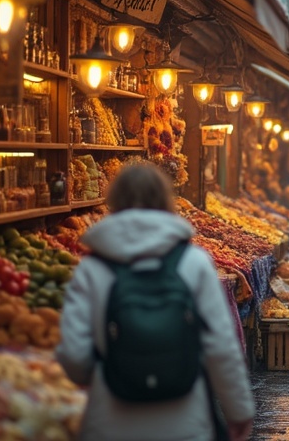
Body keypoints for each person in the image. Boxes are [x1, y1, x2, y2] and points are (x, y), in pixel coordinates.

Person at [56, 163, 255, 441]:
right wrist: (239, 410)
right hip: (186, 422)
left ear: (113, 201)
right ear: (164, 200)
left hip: (112, 424)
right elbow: (221, 347)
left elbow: (75, 357)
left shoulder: (91, 269)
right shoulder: (194, 262)